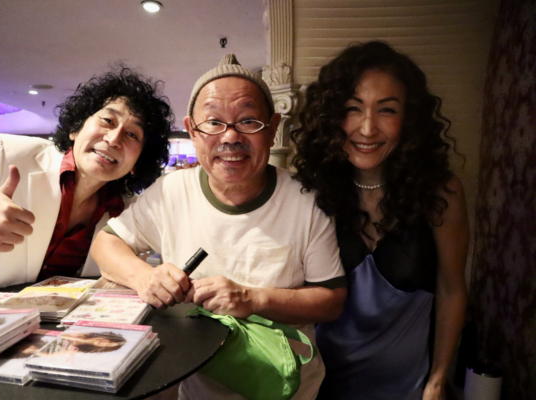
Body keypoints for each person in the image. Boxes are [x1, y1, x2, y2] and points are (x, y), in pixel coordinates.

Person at [91, 54, 347, 399]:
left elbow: (331, 300)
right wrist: (145, 278)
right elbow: (106, 244)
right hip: (198, 387)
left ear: (272, 128)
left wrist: (252, 298)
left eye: (248, 121)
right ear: (192, 130)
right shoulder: (171, 191)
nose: (230, 137)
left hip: (288, 387)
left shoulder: (306, 201)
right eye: (213, 122)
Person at [291, 41, 469, 400]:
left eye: (387, 110)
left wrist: (438, 379)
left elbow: (452, 290)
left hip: (409, 388)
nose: (368, 128)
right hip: (319, 386)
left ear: (409, 120)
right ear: (332, 116)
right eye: (353, 109)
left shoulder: (440, 192)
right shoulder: (309, 192)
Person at [0, 67, 173, 304]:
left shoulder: (126, 213)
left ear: (138, 161)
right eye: (107, 121)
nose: (113, 139)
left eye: (132, 135)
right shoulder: (2, 153)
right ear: (76, 128)